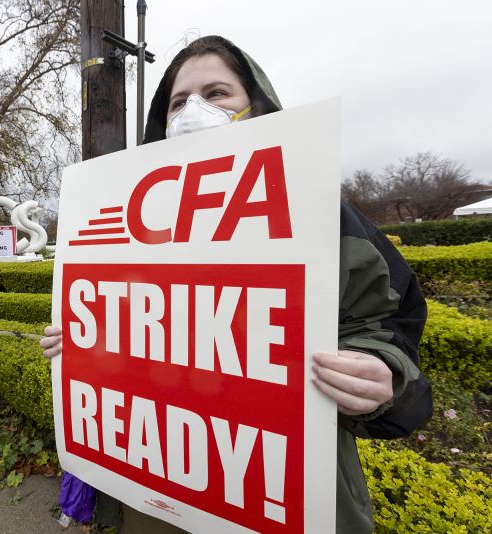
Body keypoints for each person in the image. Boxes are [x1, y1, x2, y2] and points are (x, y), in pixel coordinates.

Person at [41, 35, 430, 534]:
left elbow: (386, 325)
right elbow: (134, 318)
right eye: (179, 102)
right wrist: (85, 342)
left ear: (258, 107)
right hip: (151, 498)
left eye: (217, 93)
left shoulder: (317, 212)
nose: (193, 111)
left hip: (275, 497)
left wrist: (382, 373)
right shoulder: (126, 221)